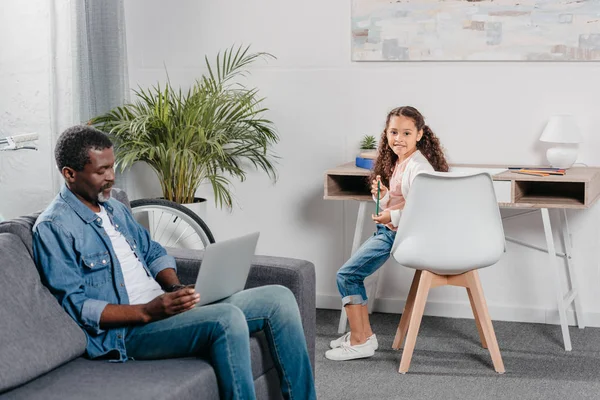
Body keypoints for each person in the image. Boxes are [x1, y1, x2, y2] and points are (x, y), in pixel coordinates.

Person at [32, 125, 316, 400]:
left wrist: (175, 288)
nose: (112, 178)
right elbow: (77, 306)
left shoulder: (115, 208)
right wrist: (147, 311)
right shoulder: (54, 227)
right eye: (101, 171)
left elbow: (154, 252)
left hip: (162, 307)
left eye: (112, 167)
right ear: (69, 174)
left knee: (279, 297)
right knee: (226, 319)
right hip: (128, 332)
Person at [325, 106, 449, 361]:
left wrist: (390, 216)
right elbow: (400, 201)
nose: (398, 139)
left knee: (347, 275)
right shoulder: (400, 163)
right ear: (386, 134)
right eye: (394, 132)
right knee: (350, 275)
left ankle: (361, 339)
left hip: (397, 234)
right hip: (389, 229)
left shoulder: (419, 167)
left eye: (406, 133)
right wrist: (382, 197)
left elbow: (421, 208)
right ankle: (360, 334)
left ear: (420, 134)